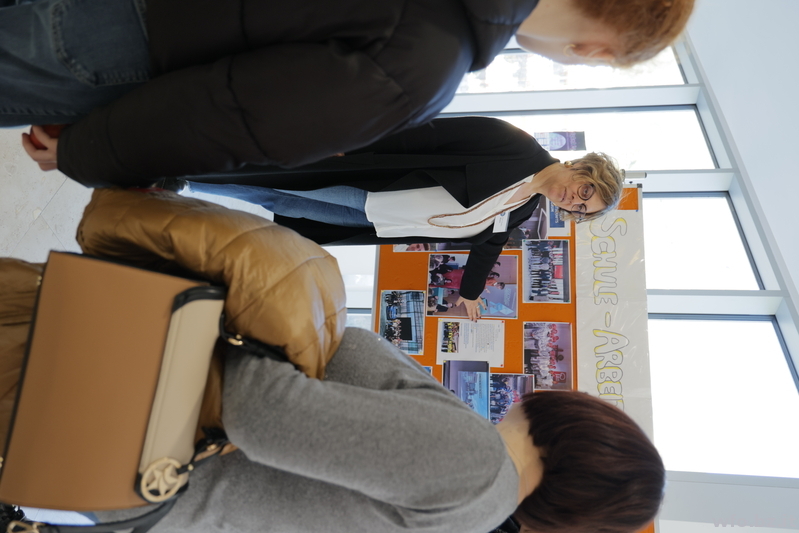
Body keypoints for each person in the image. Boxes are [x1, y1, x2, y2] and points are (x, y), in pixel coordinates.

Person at [1, 189, 665, 533]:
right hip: (118, 463)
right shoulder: (472, 507)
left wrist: (239, 316)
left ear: (585, 431)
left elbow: (266, 414)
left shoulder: (474, 469)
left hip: (111, 405)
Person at [8, 0, 694, 187]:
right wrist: (86, 151)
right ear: (596, 50)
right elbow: (223, 116)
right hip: (130, 42)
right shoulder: (425, 65)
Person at [179, 116, 625, 319]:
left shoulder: (524, 210)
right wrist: (359, 143)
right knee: (281, 183)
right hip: (374, 183)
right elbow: (432, 135)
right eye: (585, 191)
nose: (574, 200)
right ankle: (189, 173)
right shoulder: (514, 145)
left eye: (580, 208)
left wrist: (471, 294)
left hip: (377, 222)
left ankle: (191, 176)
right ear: (580, 168)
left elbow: (487, 247)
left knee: (289, 204)